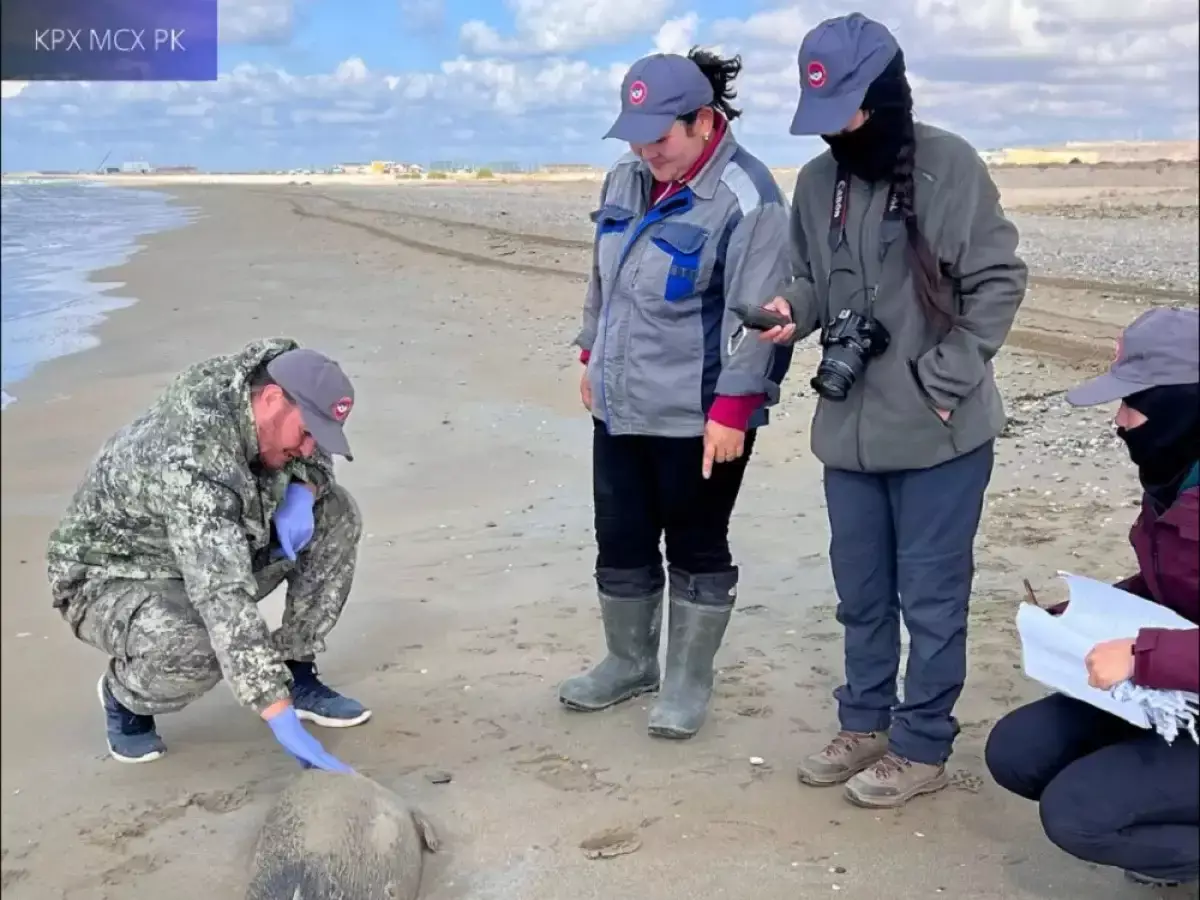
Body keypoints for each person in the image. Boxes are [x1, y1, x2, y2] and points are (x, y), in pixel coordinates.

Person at [756, 13, 1028, 806]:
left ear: (884, 96)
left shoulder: (951, 166)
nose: (838, 132)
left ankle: (921, 745)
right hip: (849, 436)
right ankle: (865, 722)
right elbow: (811, 279)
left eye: (849, 111)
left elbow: (999, 284)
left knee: (933, 598)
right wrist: (789, 311)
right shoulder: (816, 183)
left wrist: (943, 379)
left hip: (943, 435)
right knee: (861, 592)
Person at [557, 47, 793, 740]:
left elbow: (760, 318)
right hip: (620, 404)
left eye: (658, 137)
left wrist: (734, 409)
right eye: (635, 135)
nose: (645, 150)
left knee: (695, 546)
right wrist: (590, 353)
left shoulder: (750, 198)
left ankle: (688, 682)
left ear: (702, 122)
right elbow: (603, 278)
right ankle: (630, 662)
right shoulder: (625, 179)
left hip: (699, 417)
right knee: (621, 538)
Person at [46, 338, 369, 771]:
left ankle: (296, 666)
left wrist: (304, 488)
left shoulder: (277, 378)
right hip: (115, 574)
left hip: (215, 533)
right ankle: (125, 698)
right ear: (272, 401)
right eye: (307, 433)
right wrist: (275, 712)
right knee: (196, 647)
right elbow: (221, 593)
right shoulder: (193, 454)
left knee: (336, 513)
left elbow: (315, 454)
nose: (310, 448)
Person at [984, 306, 1199, 889]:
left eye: (1134, 402)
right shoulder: (1178, 477)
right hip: (1185, 694)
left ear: (1182, 404)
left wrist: (1141, 657)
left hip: (1182, 679)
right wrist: (1086, 614)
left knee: (1077, 814)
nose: (1120, 420)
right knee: (1018, 751)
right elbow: (1173, 589)